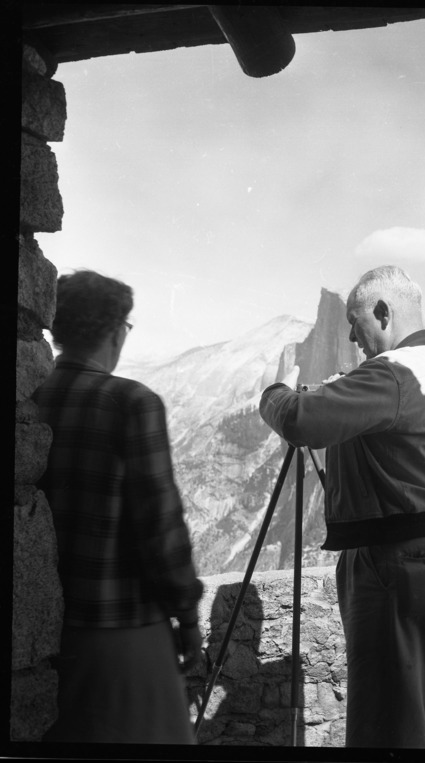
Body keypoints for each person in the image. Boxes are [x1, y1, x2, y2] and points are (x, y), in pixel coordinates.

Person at [258, 265, 425, 749]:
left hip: (403, 568)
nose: (350, 336)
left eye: (354, 321)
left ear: (383, 312)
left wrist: (274, 393)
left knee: (387, 732)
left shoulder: (393, 373)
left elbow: (301, 420)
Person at [35, 270, 204, 744]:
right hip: (123, 629)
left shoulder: (31, 395)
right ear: (113, 331)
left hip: (44, 636)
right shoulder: (131, 401)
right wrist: (188, 617)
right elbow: (162, 526)